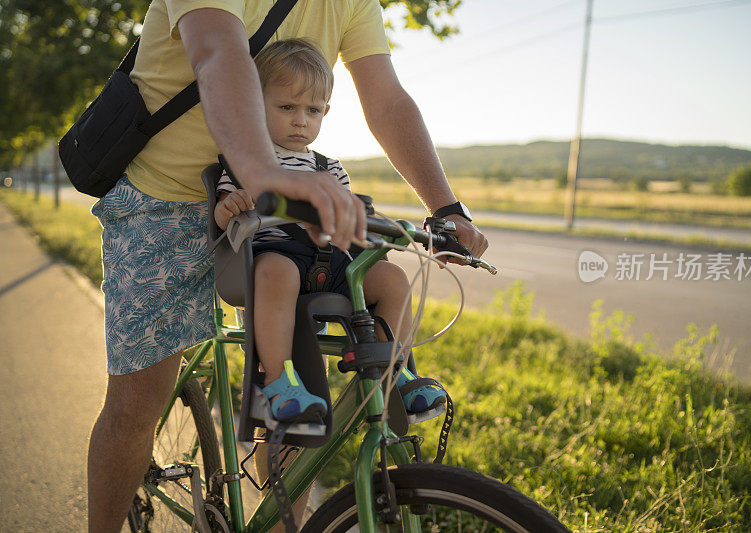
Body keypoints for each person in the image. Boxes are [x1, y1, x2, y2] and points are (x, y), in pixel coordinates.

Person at [87, 1, 488, 531]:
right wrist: (262, 174)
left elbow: (386, 98)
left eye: (314, 112)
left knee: (303, 402)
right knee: (139, 398)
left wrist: (444, 208)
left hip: (283, 225)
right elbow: (216, 50)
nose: (304, 120)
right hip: (163, 197)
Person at [214, 38, 445, 421]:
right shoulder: (247, 163)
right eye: (287, 107)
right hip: (279, 257)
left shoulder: (329, 167)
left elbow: (345, 217)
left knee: (391, 278)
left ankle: (395, 372)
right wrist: (230, 207)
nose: (301, 120)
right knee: (276, 271)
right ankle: (277, 383)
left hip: (330, 261)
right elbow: (224, 218)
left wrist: (372, 227)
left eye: (312, 110)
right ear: (255, 102)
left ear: (326, 111)